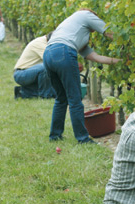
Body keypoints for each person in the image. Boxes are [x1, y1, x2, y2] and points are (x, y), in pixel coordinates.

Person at [43, 9, 122, 144]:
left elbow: (96, 57)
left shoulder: (74, 31)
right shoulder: (86, 15)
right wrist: (125, 41)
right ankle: (82, 139)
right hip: (64, 52)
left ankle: (55, 136)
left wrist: (119, 61)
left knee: (61, 98)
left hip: (48, 54)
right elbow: (108, 31)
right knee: (75, 98)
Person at [13, 33, 56, 99]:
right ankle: (46, 95)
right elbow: (52, 61)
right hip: (21, 74)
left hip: (30, 72)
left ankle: (22, 92)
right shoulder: (40, 44)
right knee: (45, 67)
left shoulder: (45, 42)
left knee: (54, 91)